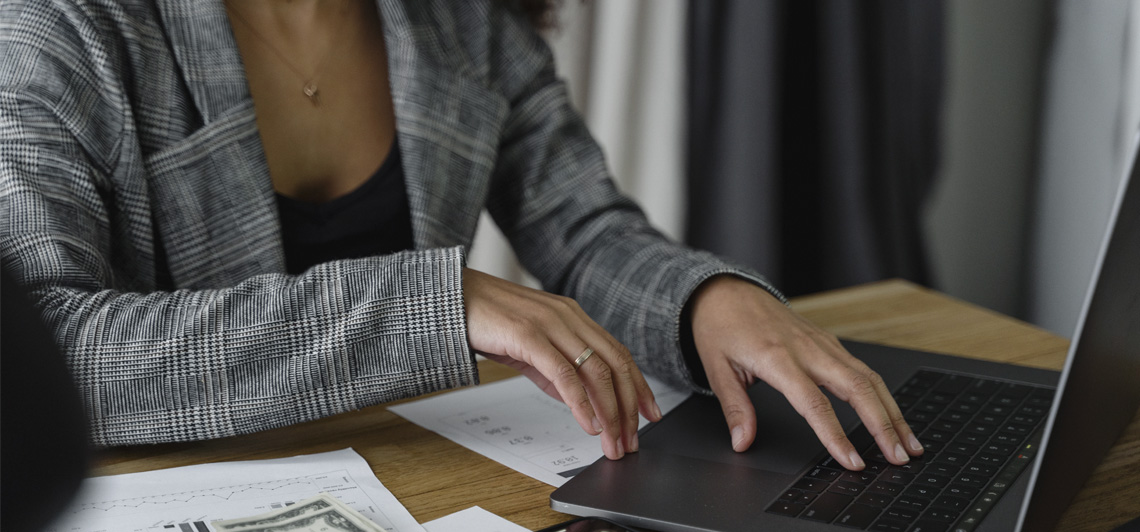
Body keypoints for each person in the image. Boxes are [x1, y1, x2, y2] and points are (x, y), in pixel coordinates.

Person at [0, 0, 922, 470]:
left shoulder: (463, 20)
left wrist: (709, 301)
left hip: (415, 485)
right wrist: (432, 306)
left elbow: (584, 231)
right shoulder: (59, 27)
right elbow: (51, 355)